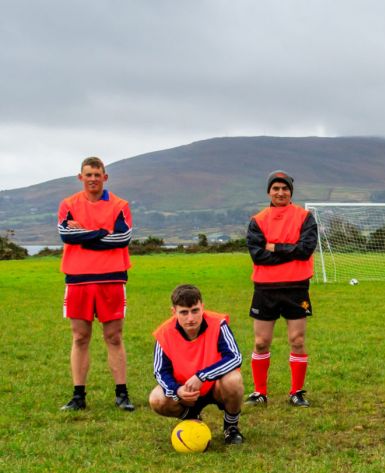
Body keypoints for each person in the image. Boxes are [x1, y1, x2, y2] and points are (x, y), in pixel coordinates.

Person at [57, 156, 135, 411]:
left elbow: (122, 238)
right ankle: (78, 396)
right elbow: (66, 234)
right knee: (80, 336)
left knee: (113, 336)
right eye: (88, 175)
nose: (92, 179)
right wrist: (103, 232)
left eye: (97, 174)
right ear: (81, 177)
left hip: (111, 277)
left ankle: (121, 394)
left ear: (105, 177)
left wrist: (86, 234)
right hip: (78, 278)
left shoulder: (120, 205)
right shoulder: (68, 204)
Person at [245, 170, 318, 407]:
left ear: (291, 192)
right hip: (265, 289)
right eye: (275, 188)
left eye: (284, 188)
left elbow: (305, 249)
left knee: (297, 340)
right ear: (269, 191)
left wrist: (274, 247)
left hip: (297, 288)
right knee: (260, 342)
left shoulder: (305, 217)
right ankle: (259, 393)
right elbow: (258, 255)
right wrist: (290, 250)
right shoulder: (257, 220)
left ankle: (296, 392)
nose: (280, 192)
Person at [148, 284, 245, 445]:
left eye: (195, 310)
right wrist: (177, 390)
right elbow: (160, 372)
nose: (191, 318)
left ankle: (231, 427)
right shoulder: (165, 333)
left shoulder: (217, 324)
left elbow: (234, 357)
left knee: (234, 380)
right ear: (174, 312)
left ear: (202, 307)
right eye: (184, 312)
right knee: (156, 399)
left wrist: (202, 376)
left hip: (216, 386)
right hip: (186, 390)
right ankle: (192, 417)